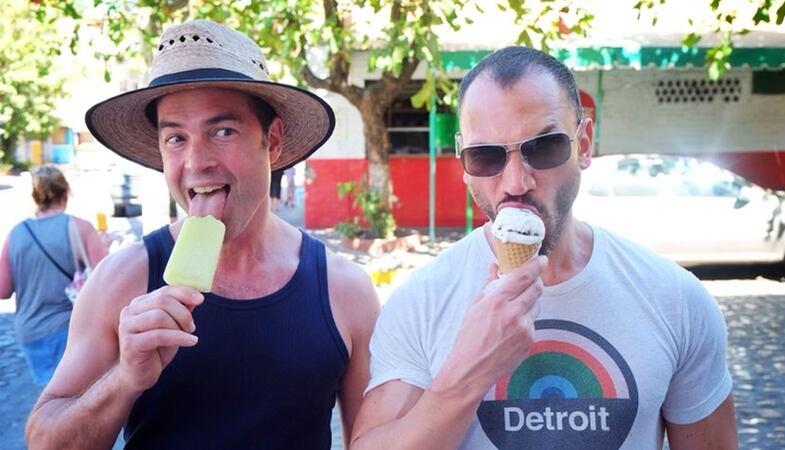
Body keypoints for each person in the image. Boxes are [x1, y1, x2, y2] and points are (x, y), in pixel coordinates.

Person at [350, 47, 737, 449]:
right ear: (464, 161)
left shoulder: (675, 299)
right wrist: (465, 375)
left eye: (544, 147)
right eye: (485, 156)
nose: (516, 182)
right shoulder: (421, 301)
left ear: (583, 144)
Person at [25, 19, 379, 450]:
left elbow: (374, 441)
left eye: (223, 131)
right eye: (175, 138)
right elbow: (45, 442)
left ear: (272, 140)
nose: (196, 162)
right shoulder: (121, 281)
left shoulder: (345, 290)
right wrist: (123, 379)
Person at [0, 165, 109, 385]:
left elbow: (3, 291)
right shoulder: (81, 227)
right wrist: (104, 246)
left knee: (50, 396)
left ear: (35, 196)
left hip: (30, 332)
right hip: (69, 329)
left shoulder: (16, 233)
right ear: (65, 192)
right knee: (75, 397)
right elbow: (105, 281)